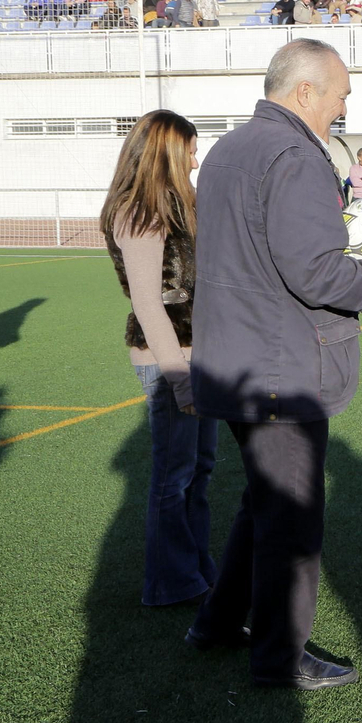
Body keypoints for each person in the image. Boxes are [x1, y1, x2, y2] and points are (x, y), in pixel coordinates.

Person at [187, 39, 362, 690]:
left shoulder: (229, 148)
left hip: (234, 358)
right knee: (290, 517)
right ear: (305, 92)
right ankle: (278, 659)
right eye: (340, 97)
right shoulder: (294, 153)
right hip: (279, 365)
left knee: (262, 504)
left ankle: (217, 623)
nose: (342, 110)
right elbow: (316, 272)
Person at [100, 110, 219, 608]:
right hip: (168, 358)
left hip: (200, 355)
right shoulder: (140, 212)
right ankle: (169, 583)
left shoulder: (179, 203)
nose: (195, 159)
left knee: (200, 469)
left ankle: (195, 569)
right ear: (168, 151)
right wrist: (180, 377)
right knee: (175, 475)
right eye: (190, 149)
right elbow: (149, 304)